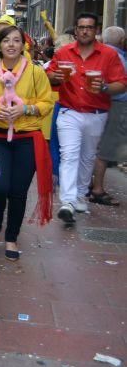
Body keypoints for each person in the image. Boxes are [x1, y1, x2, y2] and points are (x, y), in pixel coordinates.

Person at [0, 25, 54, 261]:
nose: (11, 45)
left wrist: (25, 109)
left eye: (16, 41)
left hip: (27, 140)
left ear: (24, 45)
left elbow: (46, 103)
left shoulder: (35, 72)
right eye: (6, 40)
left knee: (18, 191)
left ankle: (12, 237)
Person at [47, 13, 127, 224]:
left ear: (96, 30)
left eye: (89, 27)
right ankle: (68, 201)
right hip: (69, 111)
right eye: (81, 27)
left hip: (97, 113)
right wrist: (53, 77)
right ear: (76, 30)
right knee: (69, 154)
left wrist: (105, 88)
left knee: (88, 157)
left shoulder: (108, 55)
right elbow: (51, 76)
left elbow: (121, 83)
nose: (84, 31)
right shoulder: (64, 52)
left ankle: (81, 194)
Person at [89, 25, 127, 206]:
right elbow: (119, 84)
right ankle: (97, 189)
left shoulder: (103, 54)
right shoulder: (117, 56)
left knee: (99, 146)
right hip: (116, 104)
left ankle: (90, 184)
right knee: (106, 148)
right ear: (122, 41)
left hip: (106, 104)